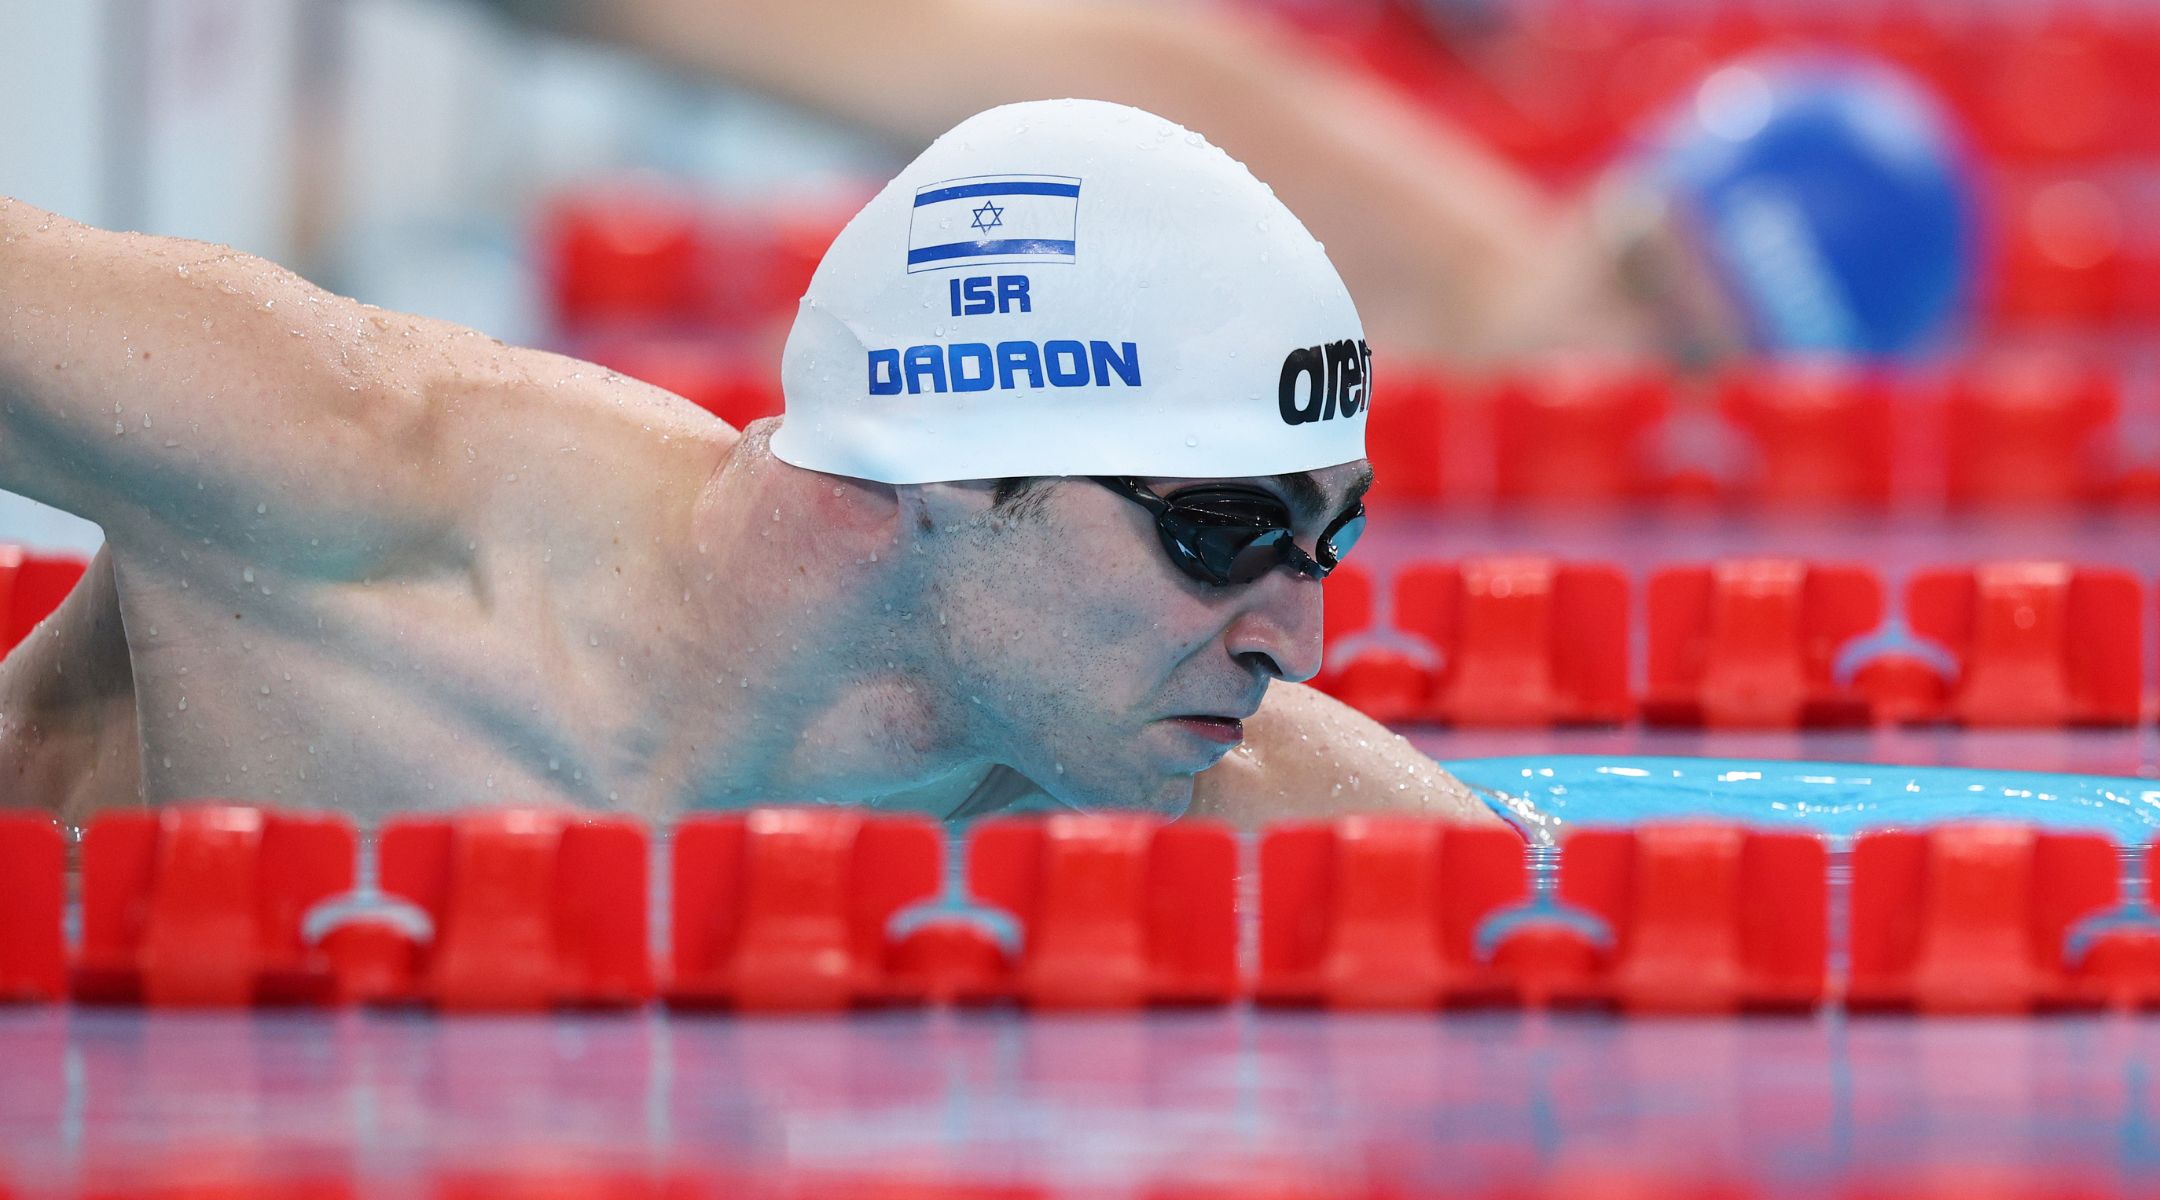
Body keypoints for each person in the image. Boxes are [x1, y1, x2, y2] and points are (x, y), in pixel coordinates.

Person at [0, 99, 1493, 829]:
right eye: (1226, 532)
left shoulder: (1258, 814)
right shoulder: (336, 480)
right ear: (947, 466)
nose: (1297, 644)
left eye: (1326, 541)